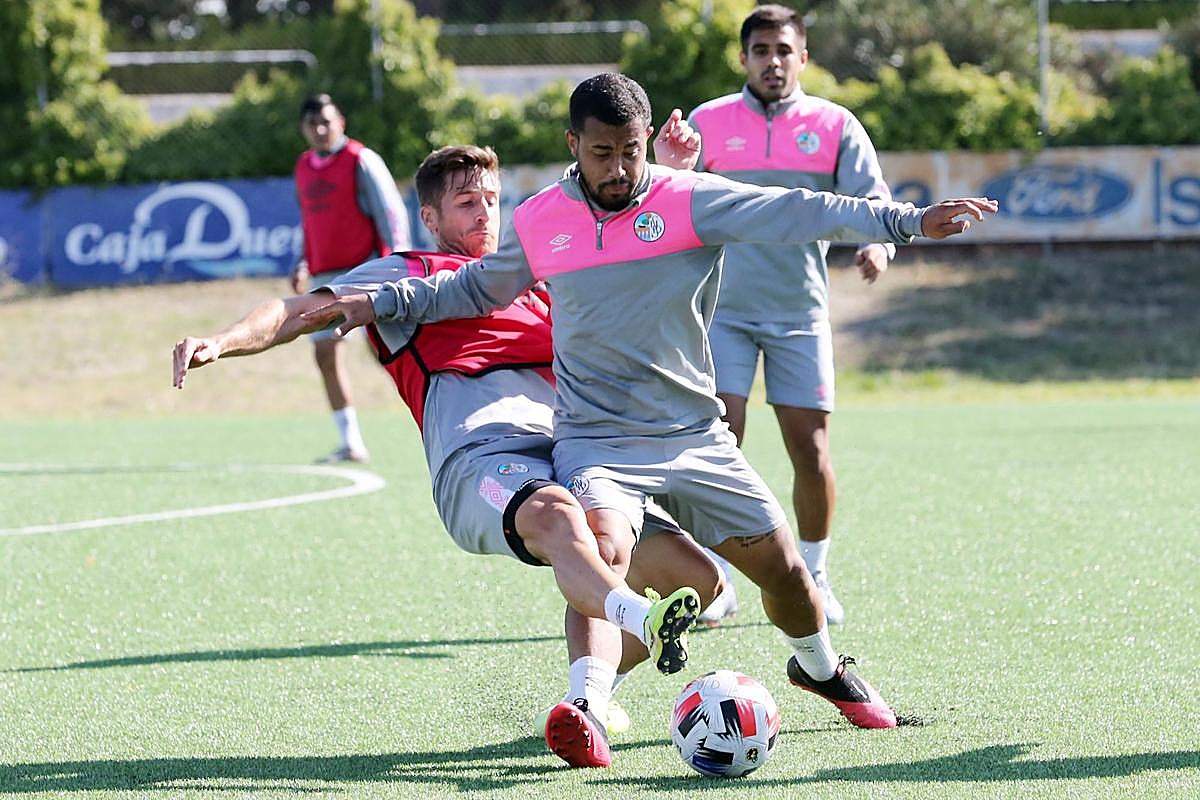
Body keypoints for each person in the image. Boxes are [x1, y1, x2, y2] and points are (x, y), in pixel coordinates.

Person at [308, 72, 996, 733]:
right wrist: (375, 300)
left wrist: (904, 221)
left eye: (630, 151)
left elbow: (798, 209)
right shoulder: (542, 218)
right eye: (602, 152)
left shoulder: (688, 198)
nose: (618, 168)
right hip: (594, 441)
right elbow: (476, 288)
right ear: (572, 144)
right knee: (600, 549)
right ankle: (585, 705)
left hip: (694, 434)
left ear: (645, 141)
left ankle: (818, 668)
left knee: (783, 572)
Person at [174, 134, 717, 770]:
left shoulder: (531, 276)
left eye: (491, 198)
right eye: (466, 203)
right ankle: (626, 635)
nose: (485, 213)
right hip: (481, 463)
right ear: (430, 218)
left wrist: (672, 176)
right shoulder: (409, 275)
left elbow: (628, 260)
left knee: (696, 578)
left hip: (572, 452)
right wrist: (220, 341)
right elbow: (296, 311)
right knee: (562, 518)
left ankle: (589, 703)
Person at [687, 4, 893, 627]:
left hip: (799, 313)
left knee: (811, 448)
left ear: (802, 57)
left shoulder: (834, 125)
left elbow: (873, 200)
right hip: (720, 312)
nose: (772, 61)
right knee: (718, 442)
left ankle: (815, 572)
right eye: (760, 50)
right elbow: (671, 195)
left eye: (783, 50)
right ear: (743, 58)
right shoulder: (708, 123)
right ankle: (714, 577)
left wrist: (877, 241)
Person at [292, 93, 412, 464]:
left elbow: (391, 213)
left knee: (391, 354)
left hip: (367, 272)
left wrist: (397, 265)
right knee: (324, 353)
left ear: (340, 121)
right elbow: (310, 221)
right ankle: (351, 442)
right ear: (304, 128)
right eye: (313, 123)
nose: (320, 129)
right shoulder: (303, 166)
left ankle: (433, 423)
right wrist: (301, 261)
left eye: (327, 121)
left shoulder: (361, 159)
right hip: (324, 278)